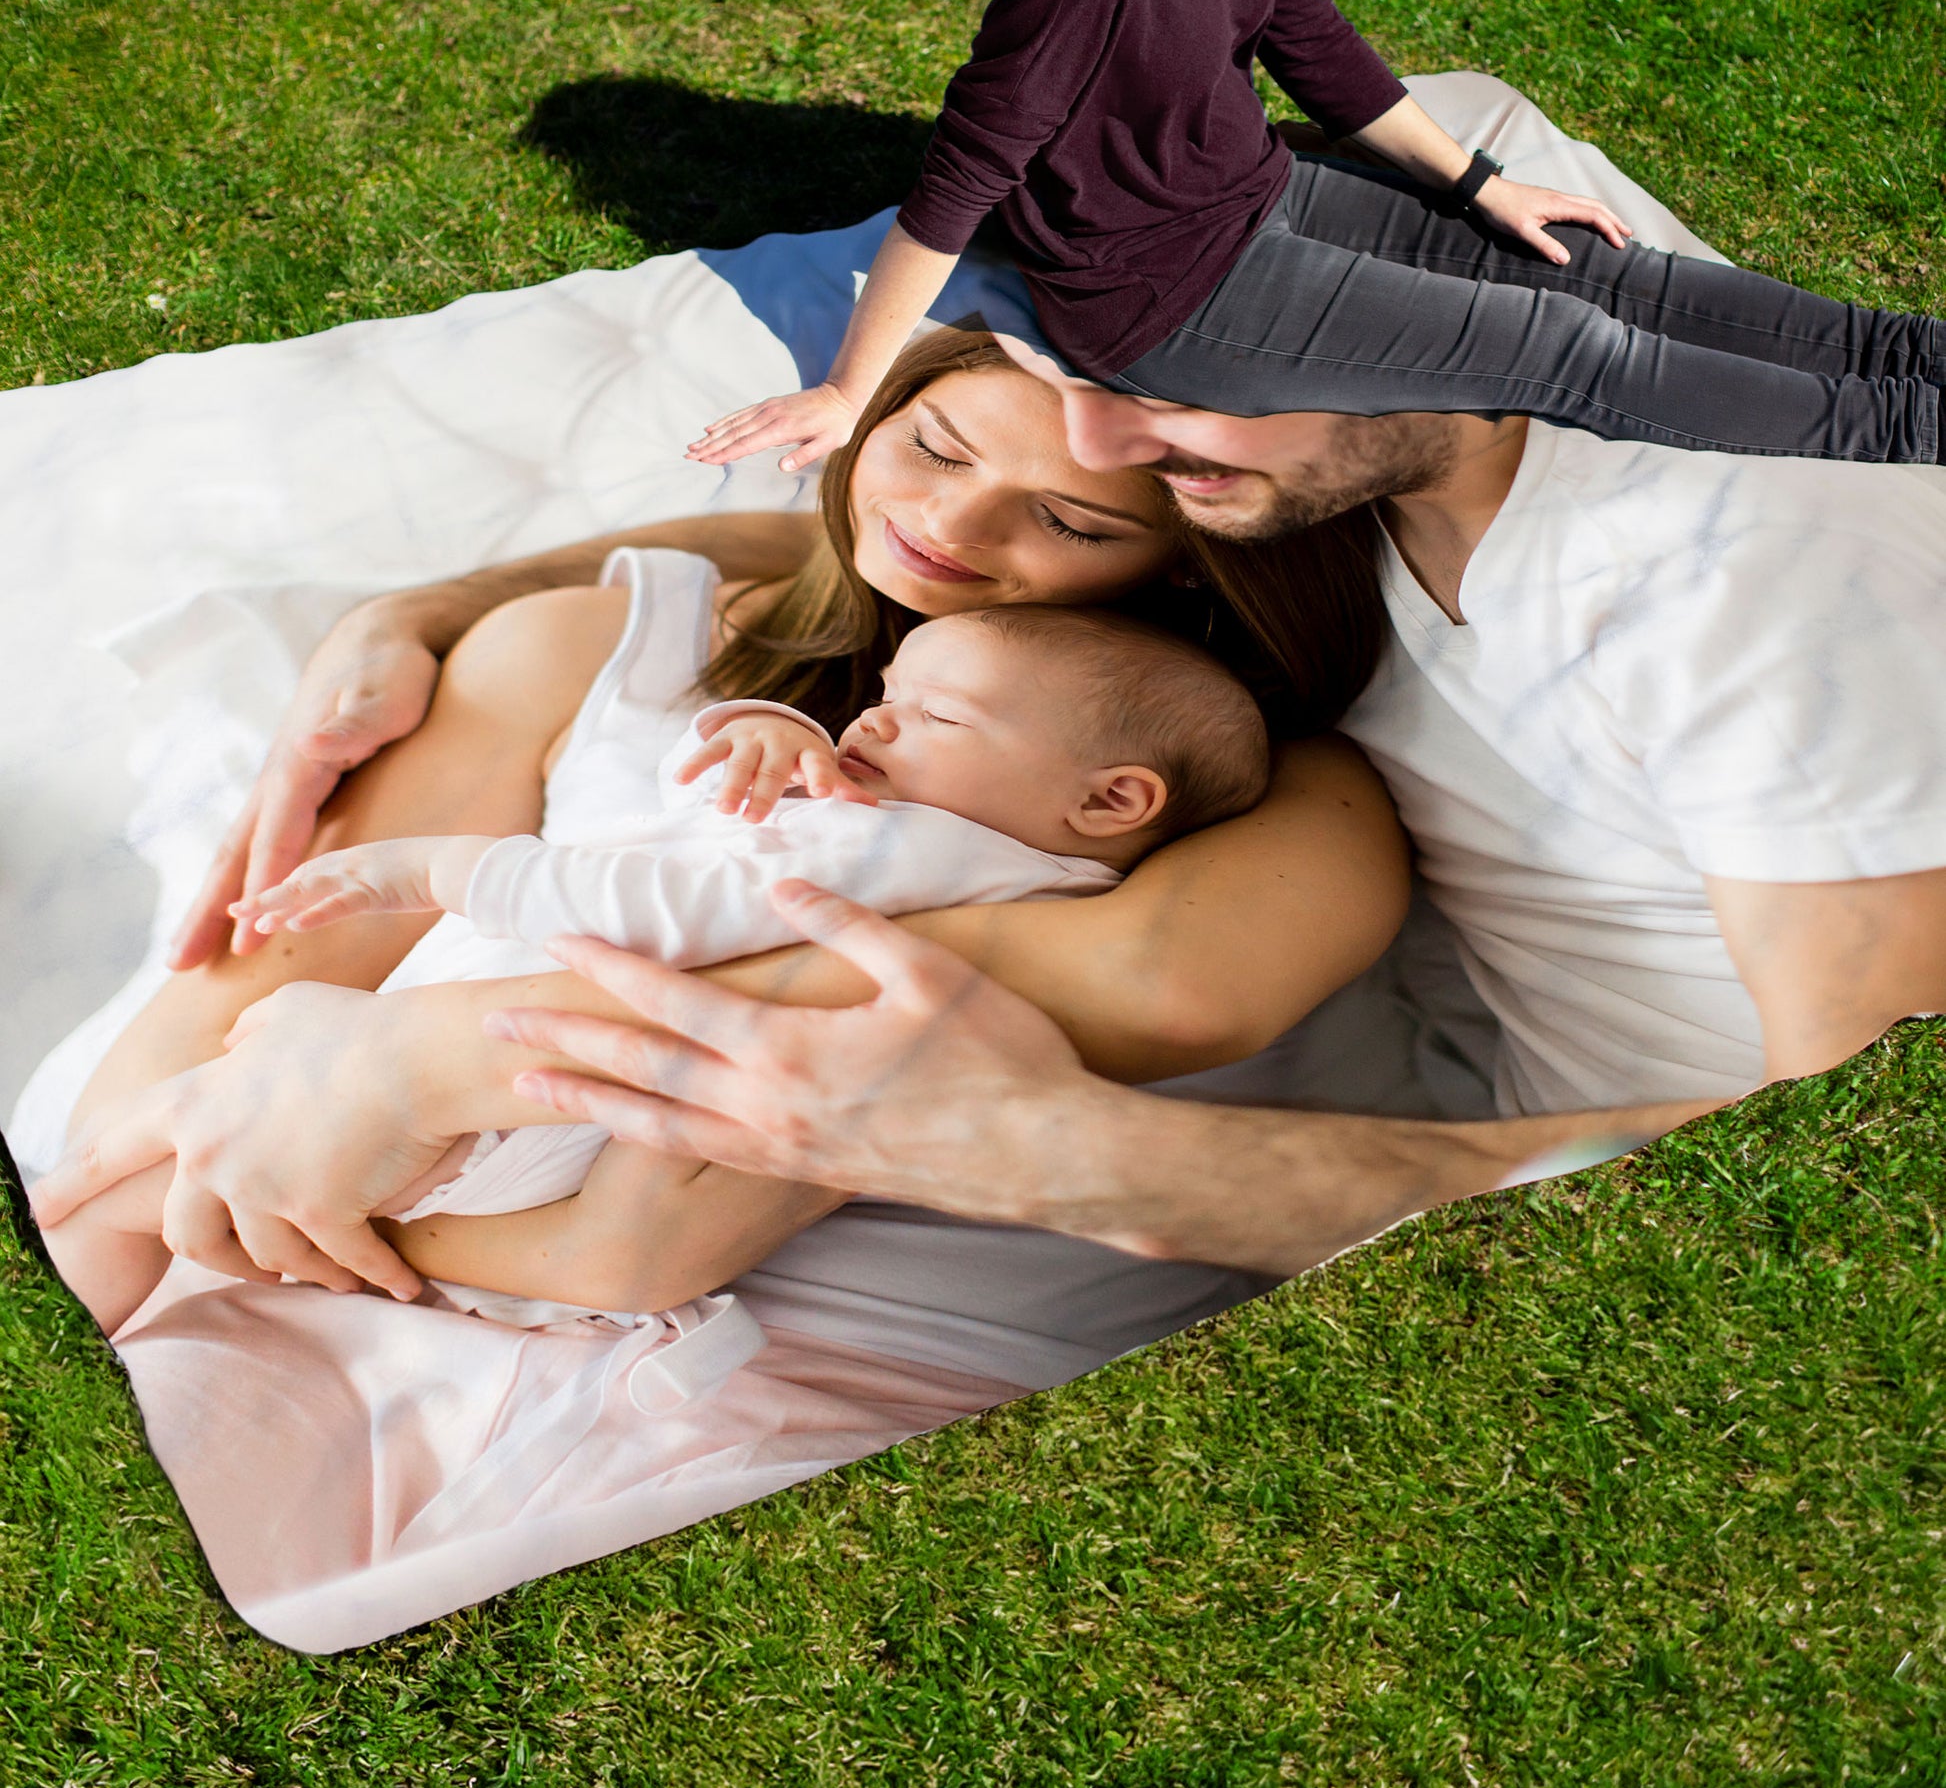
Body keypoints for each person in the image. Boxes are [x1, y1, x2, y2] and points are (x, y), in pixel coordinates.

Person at [28, 327, 1421, 1317]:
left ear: (1186, 569)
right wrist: (410, 610)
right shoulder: (652, 643)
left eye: (1065, 518)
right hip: (273, 1129)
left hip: (507, 1207)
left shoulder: (1225, 787)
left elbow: (1165, 986)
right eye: (926, 443)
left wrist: (425, 1057)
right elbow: (270, 961)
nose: (946, 522)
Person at [443, 358, 1946, 1272]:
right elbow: (910, 524)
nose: (1107, 425)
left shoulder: (1714, 586)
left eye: (1098, 499)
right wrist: (433, 604)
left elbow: (1863, 1159)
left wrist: (1074, 1157)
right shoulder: (1173, 516)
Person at [44, 603, 1269, 1334]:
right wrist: (777, 735)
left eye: (935, 718)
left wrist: (448, 871)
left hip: (489, 1120)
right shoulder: (1026, 870)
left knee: (131, 1185)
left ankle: (76, 1311)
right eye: (885, 695)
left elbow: (676, 898)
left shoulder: (920, 845)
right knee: (164, 1169)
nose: (873, 723)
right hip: (526, 1137)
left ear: (1111, 796)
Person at [691, 0, 1942, 475]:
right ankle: (1902, 425)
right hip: (1164, 294)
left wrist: (1477, 183)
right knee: (1571, 347)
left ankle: (1912, 352)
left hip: (1264, 195)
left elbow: (1306, 35)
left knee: (1590, 261)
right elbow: (963, 175)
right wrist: (849, 389)